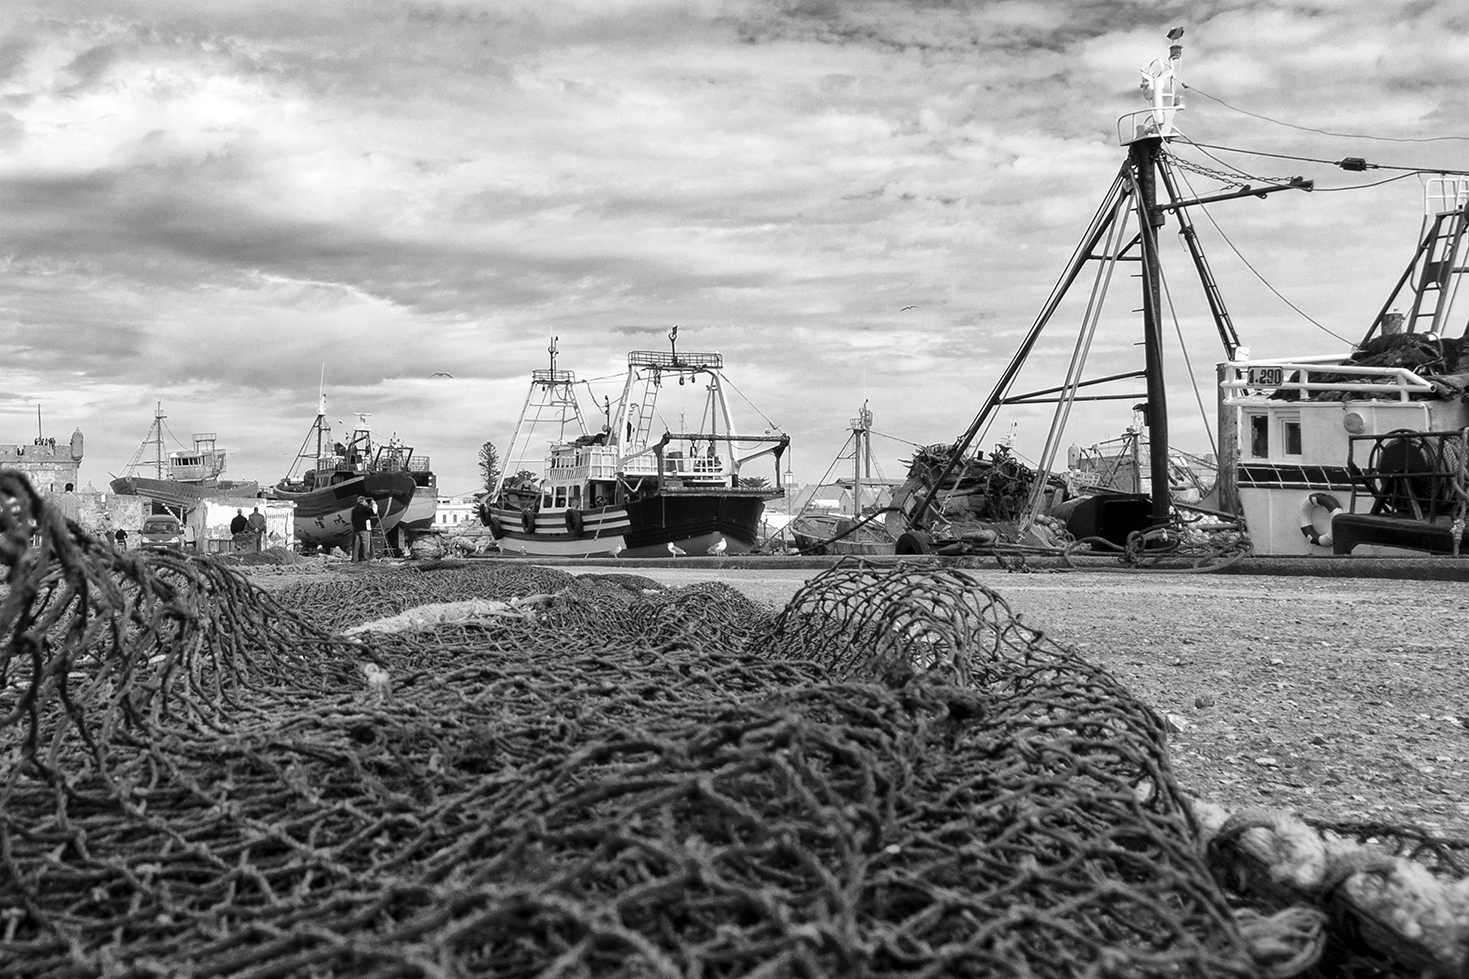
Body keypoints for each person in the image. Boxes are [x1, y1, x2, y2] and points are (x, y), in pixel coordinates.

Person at [350, 495, 377, 563]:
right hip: (364, 529)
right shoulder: (365, 508)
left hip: (357, 529)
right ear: (363, 501)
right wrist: (374, 504)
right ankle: (365, 558)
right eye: (365, 501)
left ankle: (355, 559)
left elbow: (352, 519)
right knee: (366, 544)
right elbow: (374, 512)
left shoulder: (354, 510)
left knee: (356, 545)